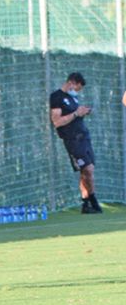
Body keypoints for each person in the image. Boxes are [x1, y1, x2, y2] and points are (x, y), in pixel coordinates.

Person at [48, 71, 101, 214]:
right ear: (71, 82)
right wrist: (76, 113)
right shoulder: (56, 97)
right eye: (77, 88)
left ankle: (86, 204)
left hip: (84, 137)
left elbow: (75, 114)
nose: (77, 91)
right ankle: (94, 201)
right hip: (73, 140)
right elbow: (57, 121)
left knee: (87, 171)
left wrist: (83, 111)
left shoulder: (73, 98)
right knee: (87, 169)